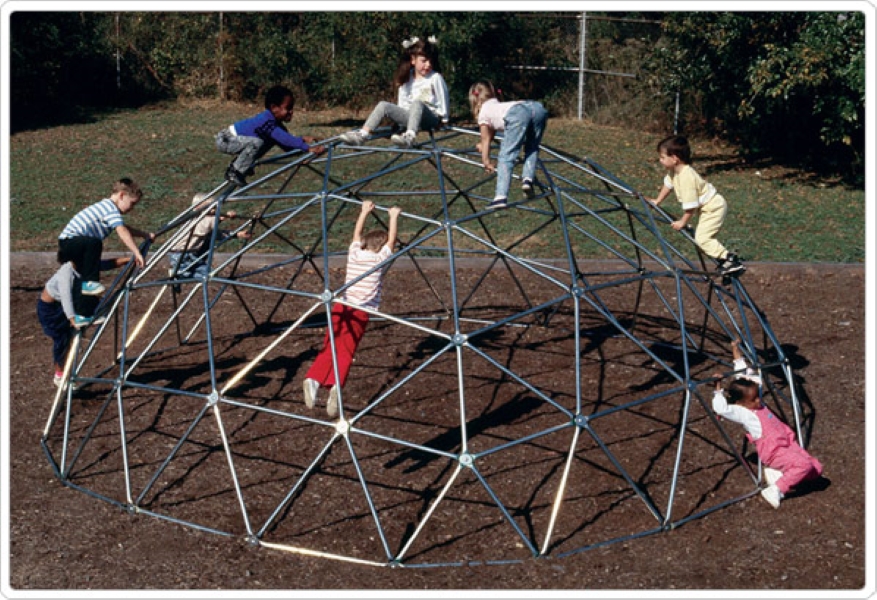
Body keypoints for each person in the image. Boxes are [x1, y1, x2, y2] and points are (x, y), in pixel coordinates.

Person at [302, 200, 402, 417]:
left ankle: (313, 378)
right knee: (346, 350)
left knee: (330, 345)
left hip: (340, 307)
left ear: (365, 243)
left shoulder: (354, 254)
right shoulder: (379, 259)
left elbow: (356, 234)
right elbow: (392, 241)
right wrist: (393, 216)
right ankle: (336, 385)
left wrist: (364, 211)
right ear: (380, 246)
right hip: (359, 313)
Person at [712, 339, 823, 509]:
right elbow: (721, 408)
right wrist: (717, 387)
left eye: (758, 396)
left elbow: (742, 374)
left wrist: (736, 350)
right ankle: (777, 489)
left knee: (816, 468)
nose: (759, 400)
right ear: (741, 403)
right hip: (774, 452)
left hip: (787, 443)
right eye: (754, 399)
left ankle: (780, 474)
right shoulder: (745, 413)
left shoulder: (753, 400)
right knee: (803, 465)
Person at [646, 135, 745, 277]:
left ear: (674, 158)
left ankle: (731, 259)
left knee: (702, 239)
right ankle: (726, 265)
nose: (660, 161)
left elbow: (690, 207)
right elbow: (668, 185)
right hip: (707, 208)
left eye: (662, 157)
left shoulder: (687, 177)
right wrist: (658, 200)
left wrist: (682, 222)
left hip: (714, 208)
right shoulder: (675, 172)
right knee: (703, 242)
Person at [38, 251, 130, 389]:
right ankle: (59, 375)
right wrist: (72, 318)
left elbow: (106, 264)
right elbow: (65, 297)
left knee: (90, 292)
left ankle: (89, 317)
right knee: (61, 341)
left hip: (68, 305)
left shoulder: (84, 266)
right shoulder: (66, 273)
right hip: (52, 310)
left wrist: (128, 260)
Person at [339, 36, 449, 149]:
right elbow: (402, 102)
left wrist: (444, 119)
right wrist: (399, 122)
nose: (428, 65)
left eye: (431, 61)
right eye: (424, 61)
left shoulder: (435, 78)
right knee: (383, 105)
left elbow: (443, 97)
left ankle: (410, 137)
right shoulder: (406, 77)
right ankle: (362, 135)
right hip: (411, 117)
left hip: (430, 118)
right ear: (413, 60)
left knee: (417, 103)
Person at [57, 178, 155, 304]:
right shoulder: (109, 208)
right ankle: (90, 284)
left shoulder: (109, 210)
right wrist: (137, 252)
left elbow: (125, 228)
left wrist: (144, 235)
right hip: (70, 242)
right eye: (132, 203)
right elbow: (122, 231)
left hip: (75, 245)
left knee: (86, 273)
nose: (132, 208)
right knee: (94, 244)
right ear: (121, 195)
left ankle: (85, 312)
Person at [216, 85, 325, 186]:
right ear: (274, 108)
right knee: (257, 142)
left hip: (237, 141)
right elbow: (286, 139)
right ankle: (234, 171)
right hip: (227, 140)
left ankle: (242, 166)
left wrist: (306, 153)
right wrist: (308, 148)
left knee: (267, 141)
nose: (291, 112)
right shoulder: (267, 122)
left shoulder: (275, 126)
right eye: (288, 108)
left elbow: (287, 146)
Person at [468, 79, 548, 210]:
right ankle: (527, 179)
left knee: (507, 155)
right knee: (532, 147)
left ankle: (500, 197)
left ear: (475, 100)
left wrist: (486, 161)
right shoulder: (498, 106)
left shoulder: (483, 112)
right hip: (537, 108)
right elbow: (491, 132)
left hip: (519, 113)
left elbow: (486, 138)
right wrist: (482, 145)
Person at [167, 193, 252, 280]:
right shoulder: (195, 219)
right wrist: (221, 218)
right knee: (204, 275)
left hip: (192, 255)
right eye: (209, 208)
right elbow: (204, 227)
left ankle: (179, 275)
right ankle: (178, 273)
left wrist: (237, 234)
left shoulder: (208, 221)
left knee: (210, 274)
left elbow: (216, 234)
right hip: (180, 255)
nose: (213, 210)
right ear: (197, 208)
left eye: (214, 207)